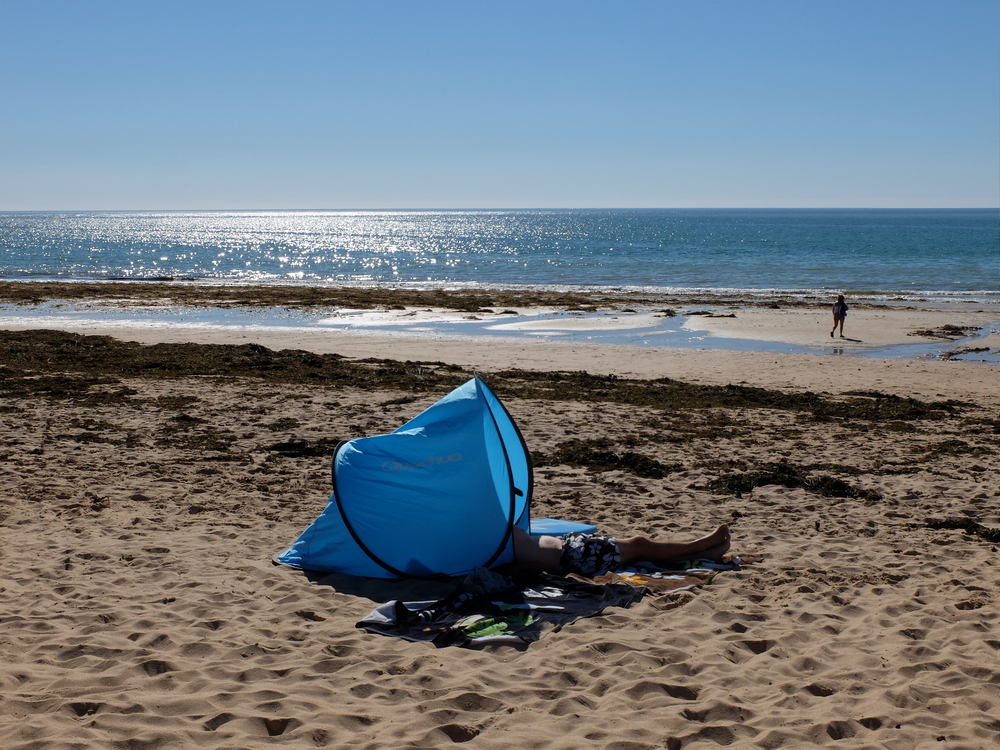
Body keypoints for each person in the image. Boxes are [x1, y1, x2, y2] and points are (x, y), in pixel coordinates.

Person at [512, 523, 731, 577]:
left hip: (572, 548)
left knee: (640, 552)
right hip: (574, 555)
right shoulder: (490, 545)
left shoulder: (491, 535)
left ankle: (702, 554)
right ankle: (699, 546)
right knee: (639, 545)